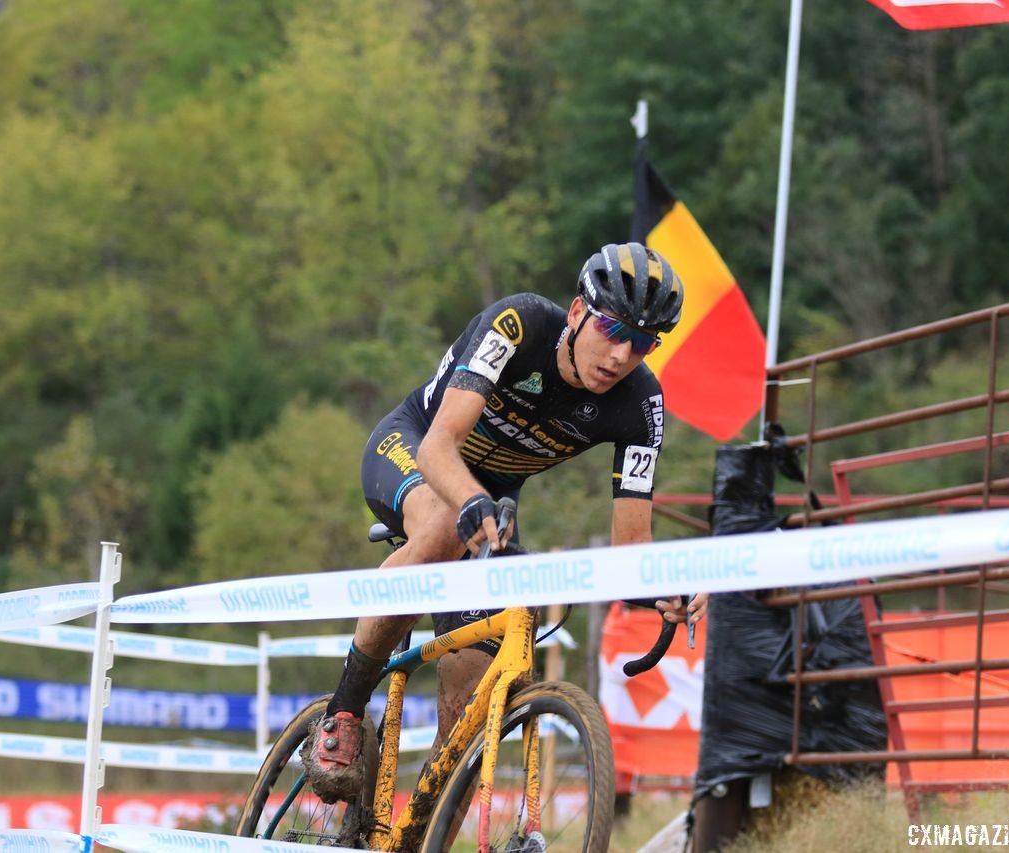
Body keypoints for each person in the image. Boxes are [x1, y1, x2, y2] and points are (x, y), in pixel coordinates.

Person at [304, 241, 710, 802]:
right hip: (416, 450)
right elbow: (441, 445)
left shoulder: (643, 405)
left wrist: (663, 588)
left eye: (642, 343)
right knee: (447, 523)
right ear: (576, 313)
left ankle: (424, 822)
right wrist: (470, 502)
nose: (621, 355)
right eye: (613, 330)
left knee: (473, 710)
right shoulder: (517, 325)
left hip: (490, 508)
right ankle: (345, 710)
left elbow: (631, 547)